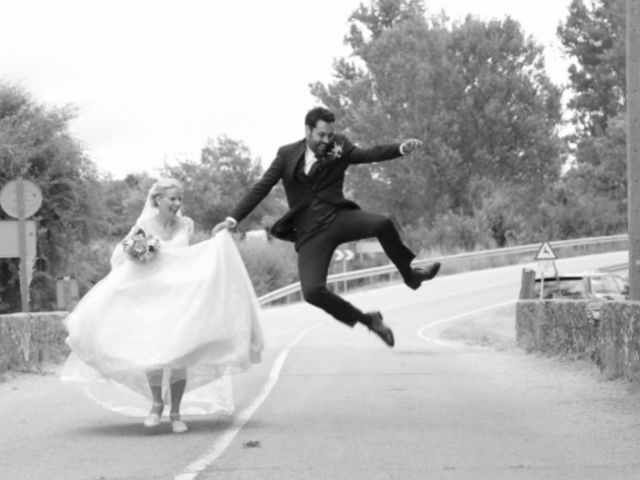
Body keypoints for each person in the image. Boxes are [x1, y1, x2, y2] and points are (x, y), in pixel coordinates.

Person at [213, 106, 440, 348]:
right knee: (312, 293)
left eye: (330, 135)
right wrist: (232, 219)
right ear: (308, 130)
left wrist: (400, 149)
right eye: (321, 135)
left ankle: (410, 275)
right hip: (310, 233)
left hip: (338, 218)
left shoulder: (339, 146)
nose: (327, 140)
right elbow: (262, 186)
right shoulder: (286, 155)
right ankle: (368, 320)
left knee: (382, 224)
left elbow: (368, 154)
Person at [61, 178, 263, 434]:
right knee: (154, 354)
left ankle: (176, 412)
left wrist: (218, 245)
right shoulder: (143, 225)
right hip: (152, 298)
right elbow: (122, 256)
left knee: (180, 355)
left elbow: (188, 258)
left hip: (180, 298)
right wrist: (139, 252)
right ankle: (157, 404)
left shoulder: (186, 224)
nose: (177, 204)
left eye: (179, 199)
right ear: (157, 200)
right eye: (172, 199)